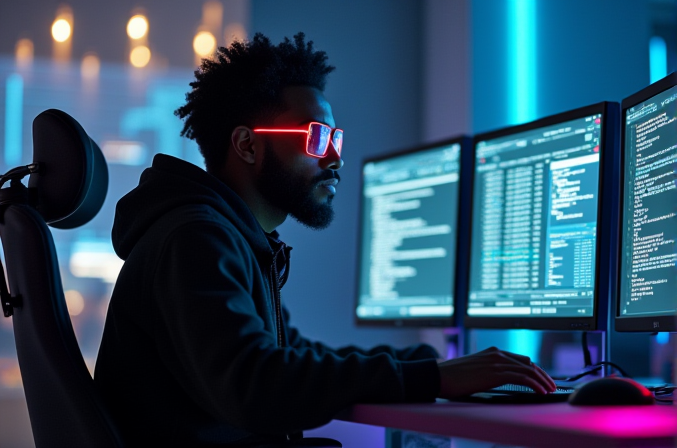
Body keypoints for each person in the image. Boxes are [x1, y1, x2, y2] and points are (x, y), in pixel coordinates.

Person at [94, 32, 555, 447]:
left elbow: (294, 356)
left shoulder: (233, 240)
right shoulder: (194, 239)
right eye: (316, 137)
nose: (334, 157)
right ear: (248, 145)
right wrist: (430, 377)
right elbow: (257, 385)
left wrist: (420, 363)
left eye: (336, 137)